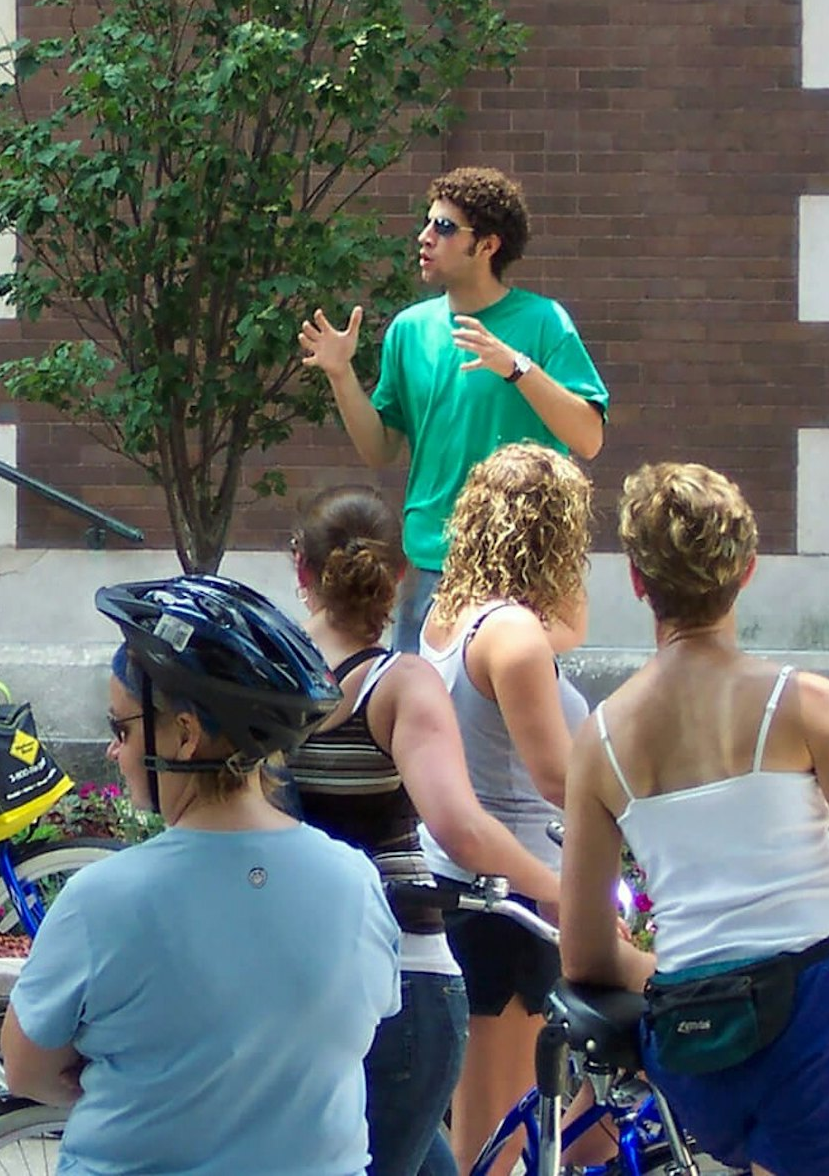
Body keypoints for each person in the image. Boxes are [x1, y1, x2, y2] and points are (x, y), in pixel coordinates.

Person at [561, 463, 829, 1176]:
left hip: (694, 1034)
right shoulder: (804, 705)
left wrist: (677, 968)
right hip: (820, 1015)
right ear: (746, 571)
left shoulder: (600, 741)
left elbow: (585, 954)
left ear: (637, 580)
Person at [1, 576, 401, 1176]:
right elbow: (356, 1030)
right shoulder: (355, 881)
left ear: (184, 735)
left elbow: (26, 1069)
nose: (115, 751)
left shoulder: (104, 898)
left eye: (122, 729)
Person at [286, 485, 563, 1176]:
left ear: (301, 570)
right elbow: (460, 828)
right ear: (400, 574)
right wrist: (560, 889)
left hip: (293, 974)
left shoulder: (270, 679)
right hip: (398, 975)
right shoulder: (398, 685)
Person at [300, 165, 608, 651]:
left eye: (443, 227)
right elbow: (381, 450)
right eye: (427, 224)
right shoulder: (408, 329)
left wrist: (515, 366)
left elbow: (589, 438)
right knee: (424, 719)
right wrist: (341, 375)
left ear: (487, 246)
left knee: (500, 721)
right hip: (429, 566)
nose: (425, 237)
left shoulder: (545, 322)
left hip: (518, 566)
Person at [418, 443, 593, 1176]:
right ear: (559, 535)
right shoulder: (516, 638)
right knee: (494, 1146)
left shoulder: (451, 617)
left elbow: (557, 634)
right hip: (514, 899)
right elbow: (560, 779)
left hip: (470, 886)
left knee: (519, 1127)